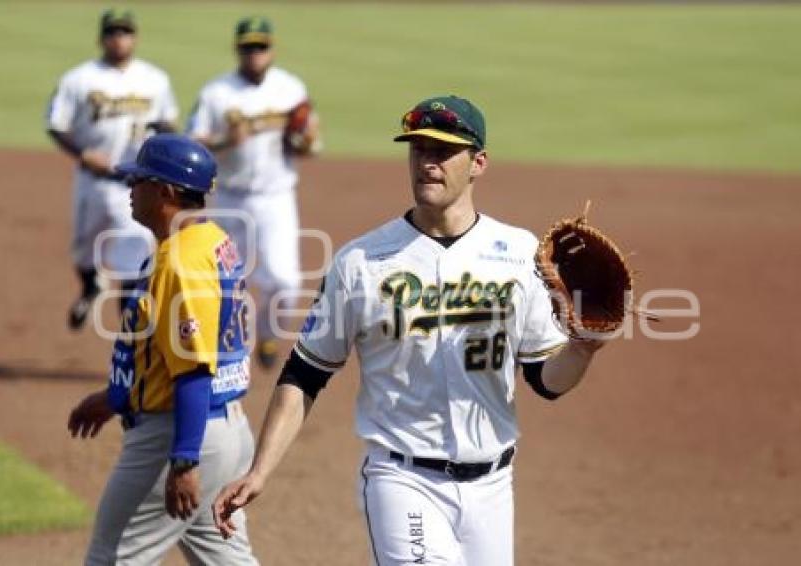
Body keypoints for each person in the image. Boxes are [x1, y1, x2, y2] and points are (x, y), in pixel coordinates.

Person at [211, 96, 609, 565]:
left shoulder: (519, 253)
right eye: (418, 149)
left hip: (493, 488)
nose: (428, 162)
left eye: (442, 152)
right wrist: (259, 471)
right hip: (403, 482)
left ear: (478, 163)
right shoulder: (361, 262)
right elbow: (305, 372)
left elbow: (545, 380)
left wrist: (583, 350)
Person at [67, 134, 259, 565]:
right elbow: (159, 347)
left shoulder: (181, 261)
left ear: (166, 192)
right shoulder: (212, 241)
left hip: (182, 434)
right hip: (226, 429)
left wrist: (184, 460)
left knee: (112, 558)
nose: (130, 190)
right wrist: (115, 398)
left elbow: (193, 368)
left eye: (139, 182)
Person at [186, 15, 320, 369]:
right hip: (229, 198)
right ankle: (221, 349)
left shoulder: (291, 89)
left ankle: (268, 335)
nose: (254, 54)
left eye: (260, 47)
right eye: (248, 47)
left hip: (276, 198)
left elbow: (308, 141)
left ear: (271, 50)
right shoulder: (216, 93)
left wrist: (305, 140)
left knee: (286, 282)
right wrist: (225, 140)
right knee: (224, 280)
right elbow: (194, 142)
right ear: (237, 50)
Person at [46, 9, 179, 330]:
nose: (119, 39)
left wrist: (163, 134)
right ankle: (91, 284)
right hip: (92, 181)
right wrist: (82, 153)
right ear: (102, 38)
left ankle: (128, 337)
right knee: (82, 249)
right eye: (113, 33)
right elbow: (56, 124)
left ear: (135, 37)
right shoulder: (78, 79)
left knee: (132, 262)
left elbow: (169, 122)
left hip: (134, 184)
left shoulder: (155, 80)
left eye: (125, 32)